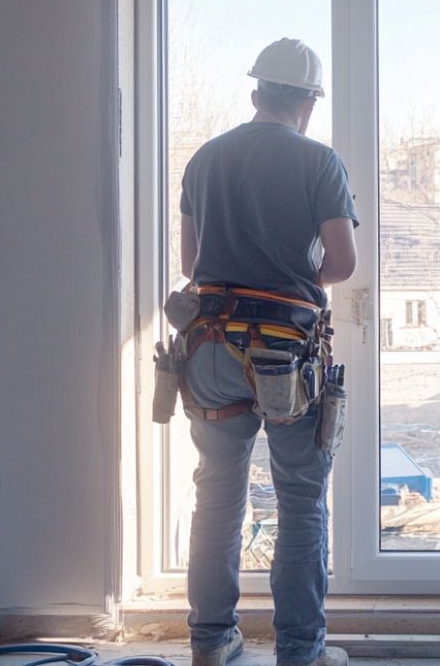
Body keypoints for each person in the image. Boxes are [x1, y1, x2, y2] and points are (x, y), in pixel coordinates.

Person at [177, 38, 358, 666]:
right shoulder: (319, 162)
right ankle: (301, 651)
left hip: (207, 350)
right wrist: (292, 269)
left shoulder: (203, 161)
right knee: (301, 499)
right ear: (309, 102)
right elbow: (341, 262)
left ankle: (209, 641)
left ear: (256, 94)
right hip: (285, 354)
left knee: (217, 495)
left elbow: (189, 264)